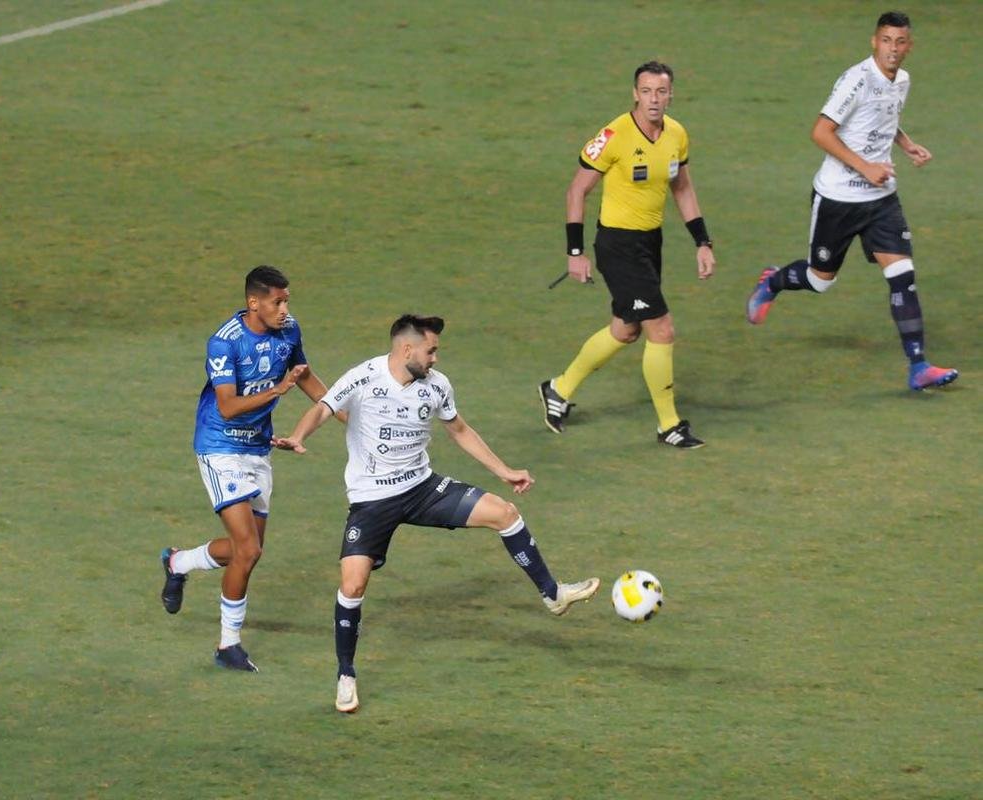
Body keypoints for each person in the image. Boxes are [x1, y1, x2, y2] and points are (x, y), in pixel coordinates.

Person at [273, 315, 601, 713]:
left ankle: (553, 594)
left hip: (423, 489)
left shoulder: (437, 387)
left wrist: (504, 471)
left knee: (505, 512)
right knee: (353, 585)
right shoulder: (364, 377)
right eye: (431, 351)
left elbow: (459, 430)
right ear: (406, 349)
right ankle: (346, 674)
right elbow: (324, 408)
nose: (435, 359)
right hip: (372, 500)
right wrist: (298, 436)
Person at [745, 11, 957, 391]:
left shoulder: (902, 81)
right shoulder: (856, 80)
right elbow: (821, 132)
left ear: (910, 46)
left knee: (903, 278)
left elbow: (883, 119)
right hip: (838, 198)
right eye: (887, 41)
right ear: (874, 42)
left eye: (901, 42)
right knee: (820, 280)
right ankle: (774, 281)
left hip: (881, 200)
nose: (893, 49)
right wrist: (864, 167)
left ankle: (919, 367)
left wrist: (906, 145)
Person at [159, 266, 338, 673]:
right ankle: (228, 646)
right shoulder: (225, 343)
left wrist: (341, 410)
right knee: (249, 549)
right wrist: (277, 390)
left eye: (287, 299)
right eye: (278, 301)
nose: (285, 308)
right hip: (220, 445)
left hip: (258, 449)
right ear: (253, 302)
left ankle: (178, 563)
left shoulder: (288, 331)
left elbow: (305, 375)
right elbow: (226, 405)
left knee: (248, 552)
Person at [539, 61, 715, 448]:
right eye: (647, 91)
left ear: (671, 95)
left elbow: (682, 188)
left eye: (661, 92)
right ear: (635, 93)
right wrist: (575, 252)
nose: (654, 99)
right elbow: (576, 192)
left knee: (627, 328)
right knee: (662, 328)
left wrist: (702, 242)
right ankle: (669, 425)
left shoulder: (677, 135)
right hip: (617, 245)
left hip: (651, 244)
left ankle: (559, 388)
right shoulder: (614, 135)